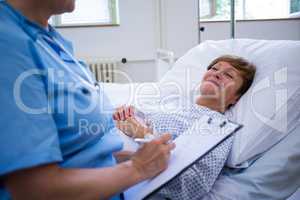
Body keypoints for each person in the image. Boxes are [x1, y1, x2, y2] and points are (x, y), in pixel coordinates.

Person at [0, 0, 175, 199]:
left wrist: (133, 158)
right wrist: (138, 168)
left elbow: (81, 149)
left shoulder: (51, 39)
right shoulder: (8, 44)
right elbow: (33, 190)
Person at [113, 55, 256, 199]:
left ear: (236, 98)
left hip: (118, 172)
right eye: (214, 68)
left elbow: (190, 185)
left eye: (228, 75)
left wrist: (144, 134)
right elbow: (134, 112)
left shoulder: (217, 127)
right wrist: (124, 113)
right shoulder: (176, 101)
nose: (217, 73)